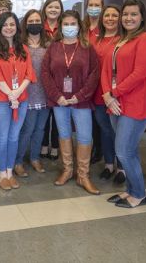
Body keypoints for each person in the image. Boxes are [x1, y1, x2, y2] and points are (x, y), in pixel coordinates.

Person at [101, 0, 146, 207]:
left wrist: (113, 92)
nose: (128, 18)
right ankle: (131, 190)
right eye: (125, 14)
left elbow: (140, 74)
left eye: (134, 14)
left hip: (134, 104)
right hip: (114, 103)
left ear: (142, 17)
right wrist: (107, 95)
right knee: (127, 151)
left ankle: (139, 194)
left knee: (123, 151)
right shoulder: (120, 40)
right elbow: (106, 70)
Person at [41, 10, 100, 195]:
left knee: (84, 137)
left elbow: (94, 74)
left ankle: (83, 175)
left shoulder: (87, 47)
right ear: (61, 26)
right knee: (64, 134)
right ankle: (67, 170)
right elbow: (45, 73)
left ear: (79, 26)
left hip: (80, 102)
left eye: (72, 24)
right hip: (59, 101)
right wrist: (57, 95)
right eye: (65, 24)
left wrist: (80, 96)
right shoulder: (54, 47)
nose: (69, 27)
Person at [0, 12, 35, 190]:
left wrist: (17, 93)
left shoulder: (23, 48)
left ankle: (10, 171)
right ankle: (2, 174)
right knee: (2, 137)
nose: (9, 27)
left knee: (14, 137)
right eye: (5, 24)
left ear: (17, 27)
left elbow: (29, 73)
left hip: (21, 99)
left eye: (12, 24)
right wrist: (10, 94)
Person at [14, 9, 51, 176]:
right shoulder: (19, 44)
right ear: (25, 24)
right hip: (26, 93)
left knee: (40, 129)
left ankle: (35, 158)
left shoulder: (49, 43)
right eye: (31, 21)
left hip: (45, 93)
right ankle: (18, 161)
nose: (34, 24)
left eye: (37, 20)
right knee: (27, 129)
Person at [90, 4, 124, 183]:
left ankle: (122, 167)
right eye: (107, 16)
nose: (110, 19)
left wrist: (113, 92)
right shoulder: (96, 39)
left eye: (114, 15)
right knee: (105, 129)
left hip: (117, 94)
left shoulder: (124, 39)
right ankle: (108, 164)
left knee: (119, 131)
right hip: (98, 94)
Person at [40, 0, 64, 160]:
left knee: (57, 114)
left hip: (61, 76)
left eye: (57, 7)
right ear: (45, 9)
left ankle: (55, 145)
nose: (53, 10)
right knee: (43, 114)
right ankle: (43, 144)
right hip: (41, 75)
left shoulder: (65, 27)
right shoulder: (39, 27)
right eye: (50, 7)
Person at [83, 0, 105, 164]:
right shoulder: (82, 28)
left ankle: (101, 150)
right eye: (91, 4)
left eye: (97, 4)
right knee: (87, 119)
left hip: (102, 81)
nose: (93, 7)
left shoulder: (106, 28)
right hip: (83, 80)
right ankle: (91, 149)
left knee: (101, 120)